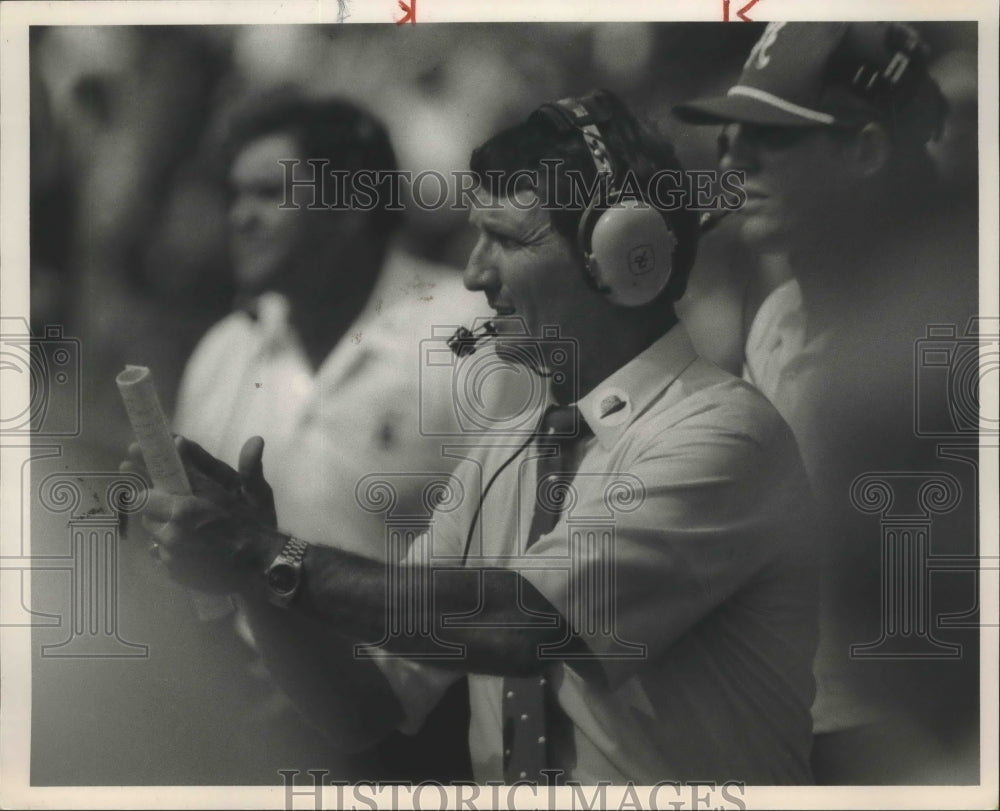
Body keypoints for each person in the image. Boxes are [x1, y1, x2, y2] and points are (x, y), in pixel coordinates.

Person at [127, 89, 820, 784]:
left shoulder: (726, 435)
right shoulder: (508, 444)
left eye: (510, 240)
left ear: (623, 257)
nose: (475, 272)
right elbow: (362, 706)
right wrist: (253, 578)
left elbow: (520, 624)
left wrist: (259, 549)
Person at [674, 22, 978, 782]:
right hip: (795, 727)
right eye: (729, 132)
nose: (733, 157)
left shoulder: (960, 330)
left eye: (770, 134)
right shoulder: (778, 313)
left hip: (927, 742)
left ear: (867, 150)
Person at [171, 90, 498, 781]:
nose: (239, 216)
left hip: (433, 746)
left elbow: (511, 586)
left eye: (268, 193)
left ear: (351, 207)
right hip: (251, 743)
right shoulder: (222, 351)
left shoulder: (474, 335)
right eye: (234, 194)